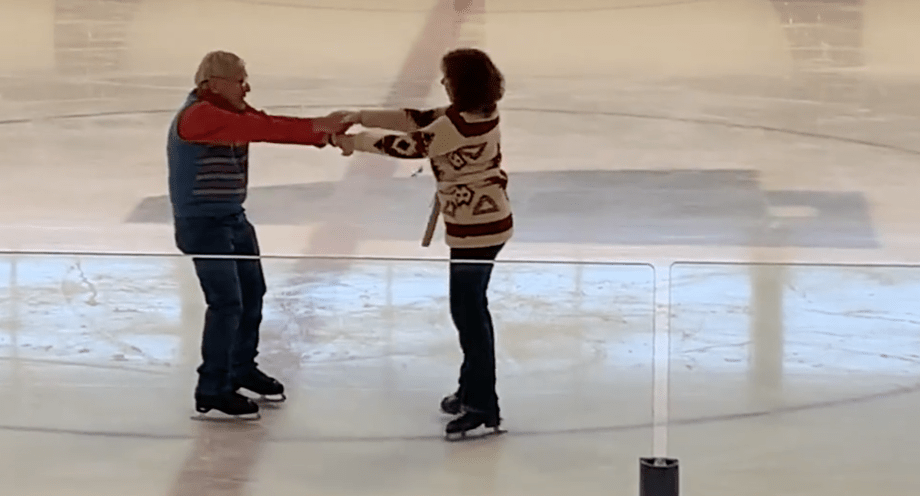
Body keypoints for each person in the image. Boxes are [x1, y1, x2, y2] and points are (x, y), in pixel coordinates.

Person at [330, 48, 511, 437]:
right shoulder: (470, 114)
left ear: (462, 83)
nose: (442, 83)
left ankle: (482, 404)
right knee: (469, 311)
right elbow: (415, 119)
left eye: (448, 77)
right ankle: (471, 390)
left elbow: (410, 145)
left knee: (470, 315)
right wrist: (360, 116)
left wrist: (354, 142)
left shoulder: (460, 126)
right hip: (479, 225)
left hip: (479, 229)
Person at [167, 50, 352, 418]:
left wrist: (323, 134)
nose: (247, 88)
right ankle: (212, 387)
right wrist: (320, 126)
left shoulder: (230, 111)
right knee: (226, 303)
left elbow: (267, 122)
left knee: (252, 294)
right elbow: (265, 129)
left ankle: (240, 367)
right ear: (214, 83)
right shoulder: (200, 116)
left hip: (233, 219)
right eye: (240, 80)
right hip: (204, 226)